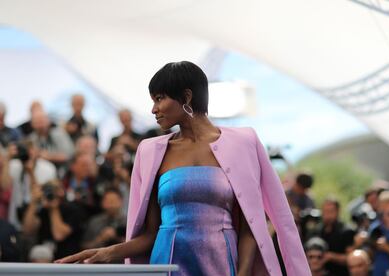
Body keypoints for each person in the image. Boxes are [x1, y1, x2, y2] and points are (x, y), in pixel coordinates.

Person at [56, 61, 310, 276]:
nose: (153, 109)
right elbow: (148, 235)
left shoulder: (244, 142)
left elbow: (251, 227)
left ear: (186, 97)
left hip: (223, 264)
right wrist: (107, 252)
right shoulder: (148, 150)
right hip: (168, 263)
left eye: (159, 99)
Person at [307, 196, 356, 276]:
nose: (327, 215)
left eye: (330, 211)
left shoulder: (346, 231)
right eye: (325, 211)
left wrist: (332, 257)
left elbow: (351, 258)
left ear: (338, 211)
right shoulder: (317, 231)